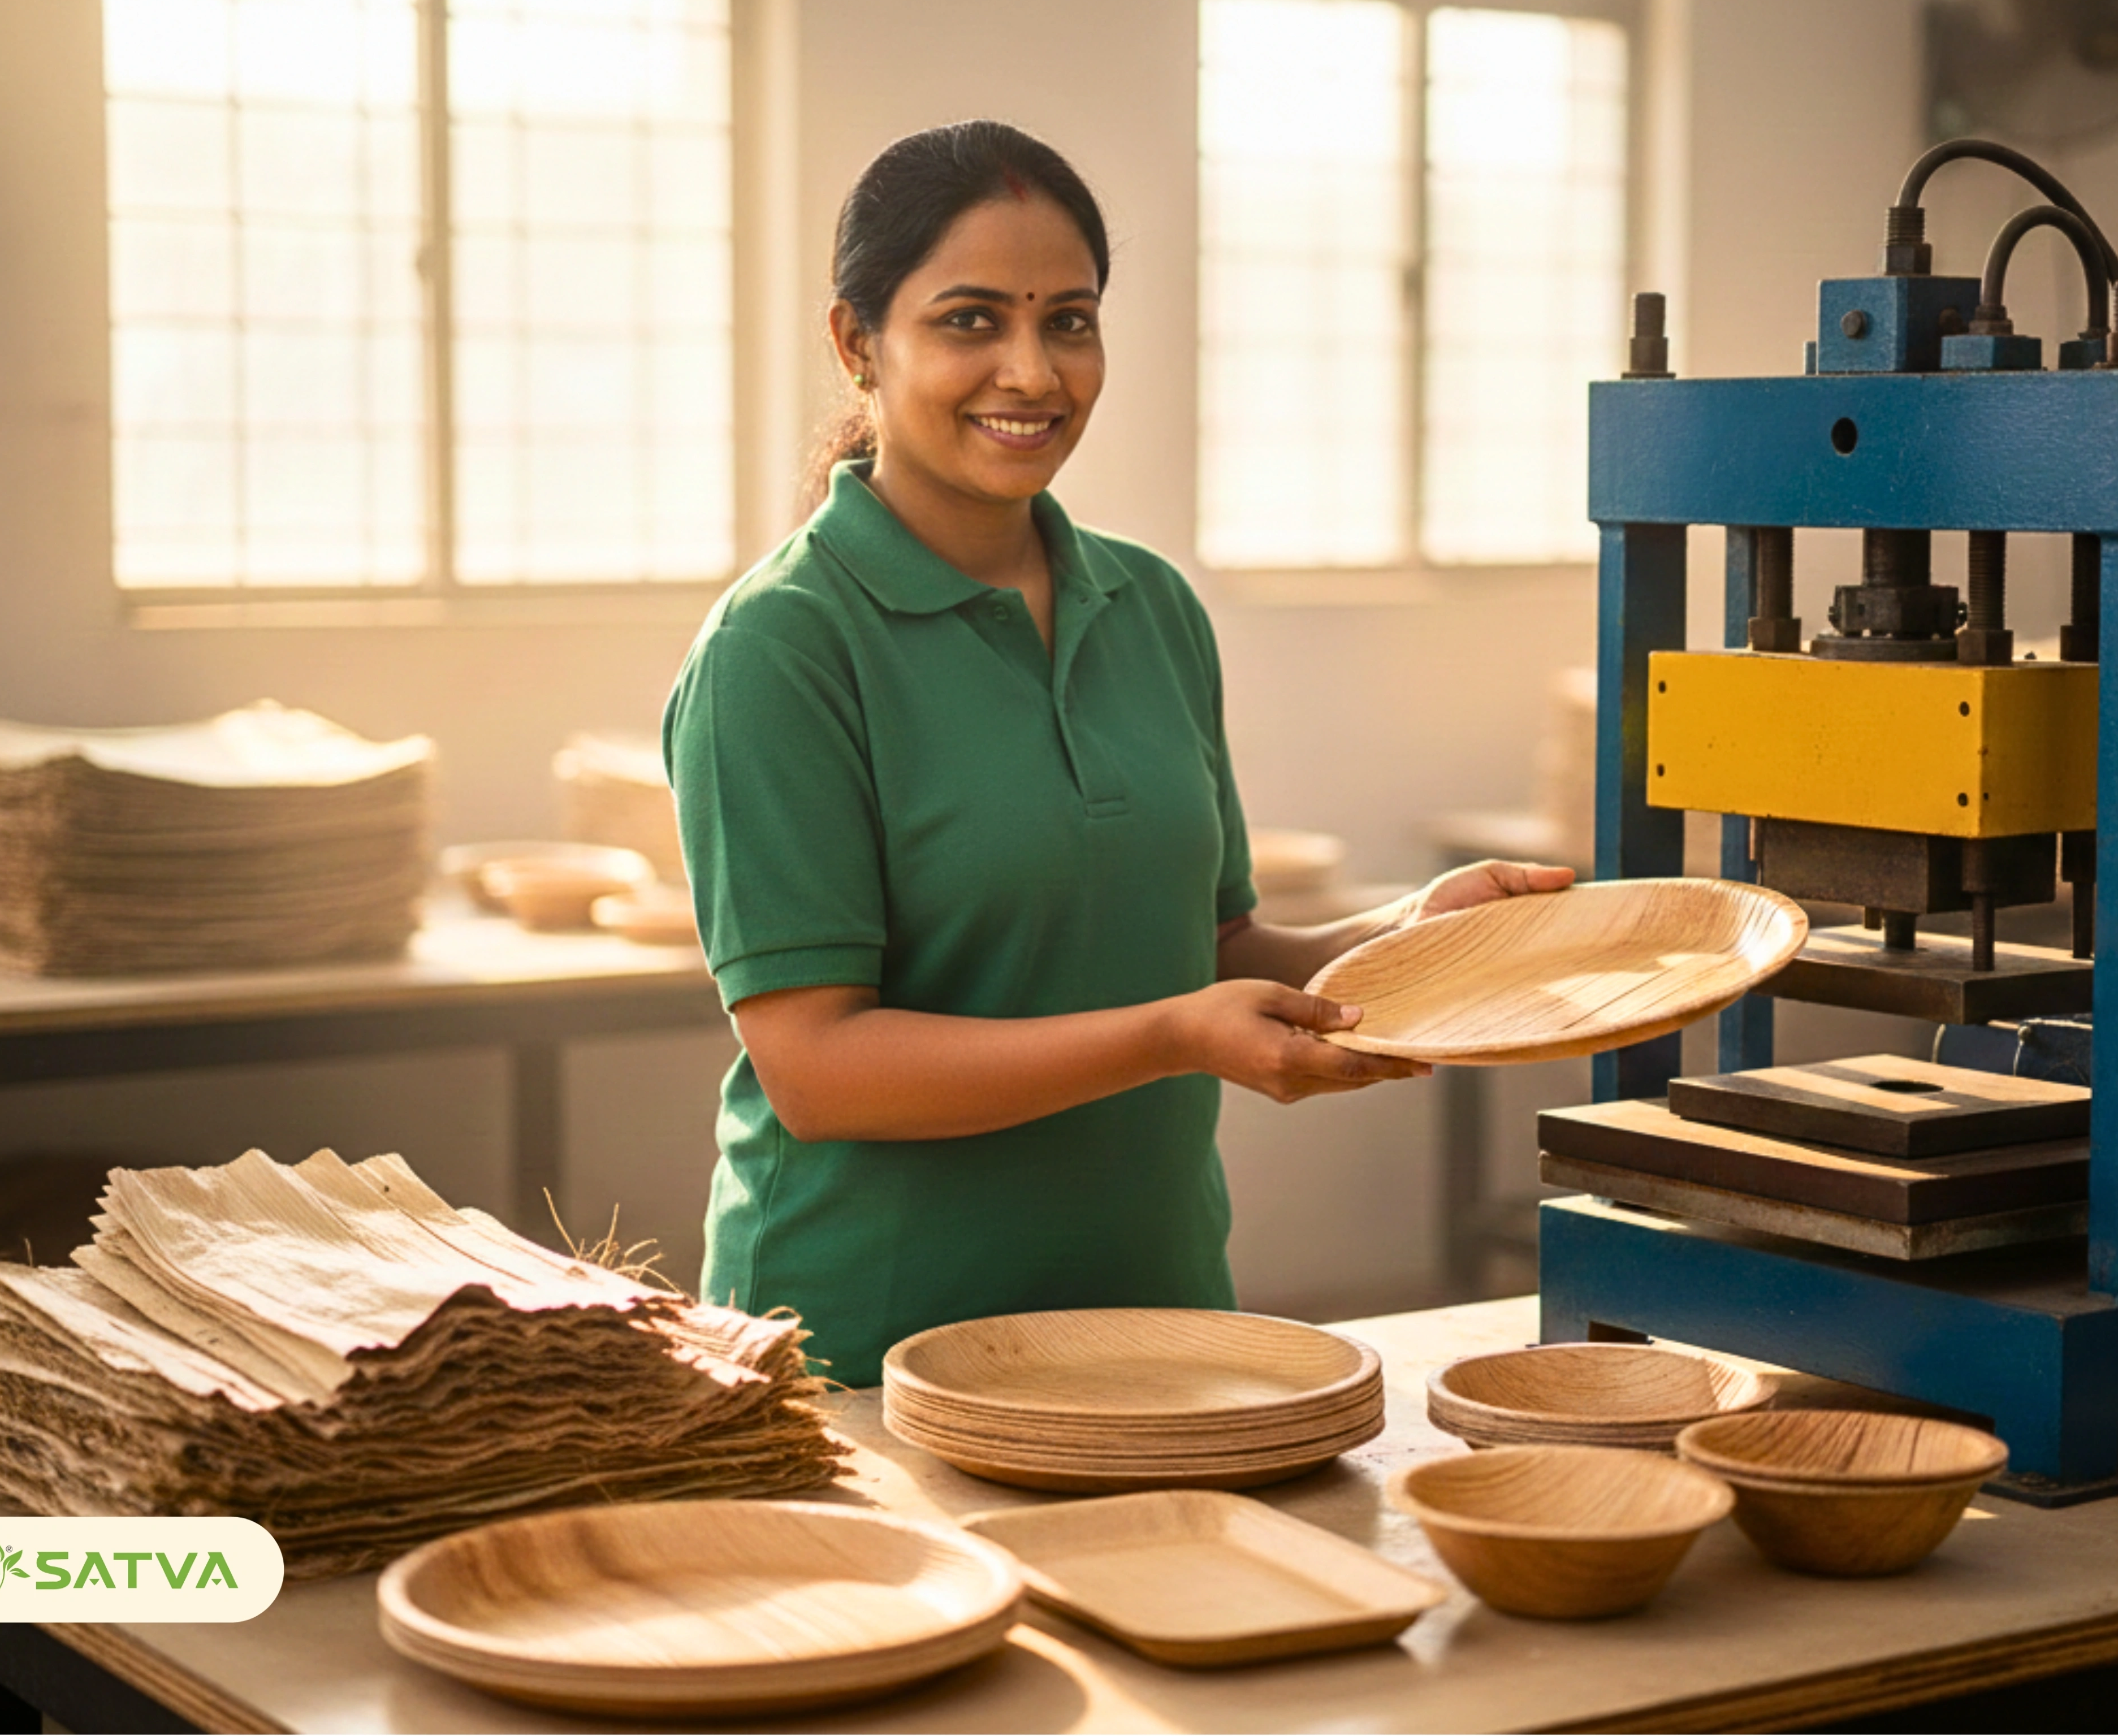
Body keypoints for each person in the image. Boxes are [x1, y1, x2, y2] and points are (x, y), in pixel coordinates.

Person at [663, 120, 1570, 1385]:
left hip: (1158, 1317)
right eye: (971, 320)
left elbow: (1208, 950)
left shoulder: (1147, 606)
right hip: (867, 1351)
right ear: (857, 342)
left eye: (1070, 321)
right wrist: (1170, 1039)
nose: (1031, 373)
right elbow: (819, 1068)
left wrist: (1422, 931)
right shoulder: (780, 649)